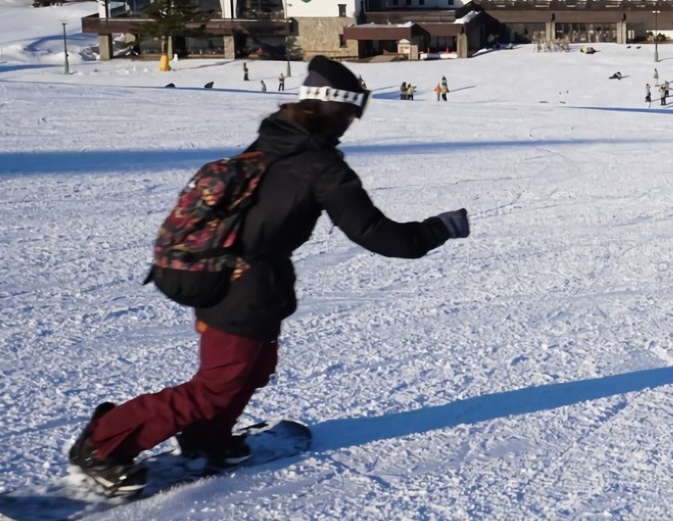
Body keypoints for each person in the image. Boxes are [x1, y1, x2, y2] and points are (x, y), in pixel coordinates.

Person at [65, 56, 470, 495]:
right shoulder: (321, 166)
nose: (350, 124)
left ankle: (206, 438)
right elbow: (377, 234)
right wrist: (438, 229)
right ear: (333, 110)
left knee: (253, 370)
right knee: (215, 385)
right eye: (351, 114)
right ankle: (102, 445)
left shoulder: (273, 139)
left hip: (238, 278)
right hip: (241, 285)